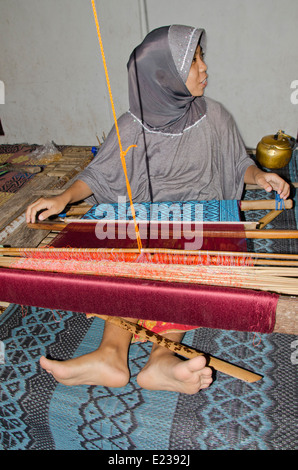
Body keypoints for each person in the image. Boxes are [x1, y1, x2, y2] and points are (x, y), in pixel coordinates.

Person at [26, 25, 290, 394]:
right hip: (147, 219)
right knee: (123, 256)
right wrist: (63, 198)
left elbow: (235, 164)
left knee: (185, 262)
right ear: (164, 76)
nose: (204, 68)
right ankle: (111, 354)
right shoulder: (131, 127)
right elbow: (100, 176)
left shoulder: (215, 116)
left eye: (201, 58)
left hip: (201, 217)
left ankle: (163, 360)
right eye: (194, 60)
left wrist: (260, 176)